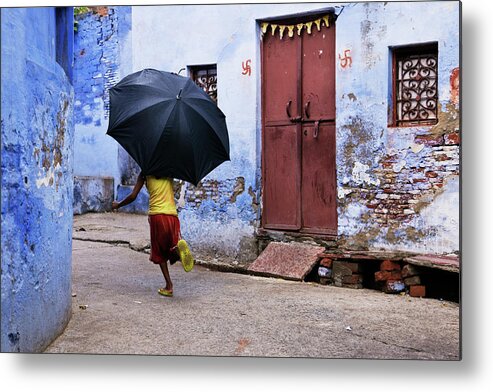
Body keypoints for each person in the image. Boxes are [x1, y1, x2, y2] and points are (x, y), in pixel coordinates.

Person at [112, 172, 194, 298]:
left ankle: (169, 286)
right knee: (170, 245)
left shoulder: (144, 173)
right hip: (172, 215)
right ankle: (177, 249)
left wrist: (119, 204)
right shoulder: (169, 169)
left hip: (157, 215)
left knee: (160, 253)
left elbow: (133, 196)